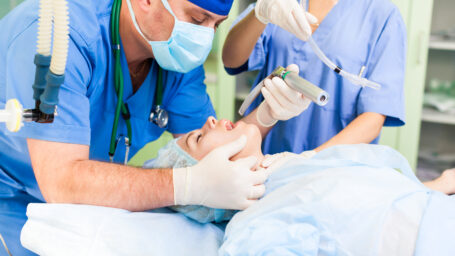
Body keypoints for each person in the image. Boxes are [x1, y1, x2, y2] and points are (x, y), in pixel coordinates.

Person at [0, 0, 312, 254]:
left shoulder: (174, 59)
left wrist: (267, 114)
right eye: (197, 18)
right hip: (10, 201)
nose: (205, 37)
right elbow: (62, 181)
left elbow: (215, 153)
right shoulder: (58, 34)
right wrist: (188, 185)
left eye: (215, 26)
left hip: (86, 208)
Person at [20, 116, 455, 255]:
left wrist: (435, 185)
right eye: (196, 138)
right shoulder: (256, 223)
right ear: (209, 173)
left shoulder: (290, 170)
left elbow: (372, 186)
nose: (208, 120)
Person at [222, 0, 407, 156]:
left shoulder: (382, 15)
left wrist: (310, 161)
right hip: (265, 154)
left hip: (333, 168)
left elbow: (374, 117)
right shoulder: (283, 2)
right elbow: (231, 60)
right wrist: (260, 13)